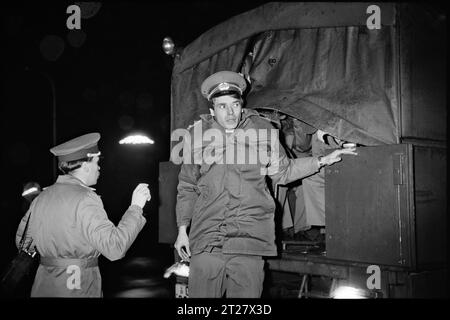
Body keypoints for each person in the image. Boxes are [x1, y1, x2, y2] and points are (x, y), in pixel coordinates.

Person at [173, 71, 357, 298]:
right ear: (212, 110)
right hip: (207, 239)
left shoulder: (263, 130)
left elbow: (284, 171)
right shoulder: (196, 136)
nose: (230, 112)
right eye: (222, 106)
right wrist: (182, 230)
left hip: (249, 241)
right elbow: (187, 186)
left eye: (235, 104)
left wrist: (321, 160)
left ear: (242, 105)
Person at [15, 132, 151, 297]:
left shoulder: (41, 198)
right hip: (78, 288)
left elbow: (23, 242)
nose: (99, 167)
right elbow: (114, 248)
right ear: (85, 166)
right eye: (96, 161)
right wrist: (136, 207)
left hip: (43, 287)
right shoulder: (86, 198)